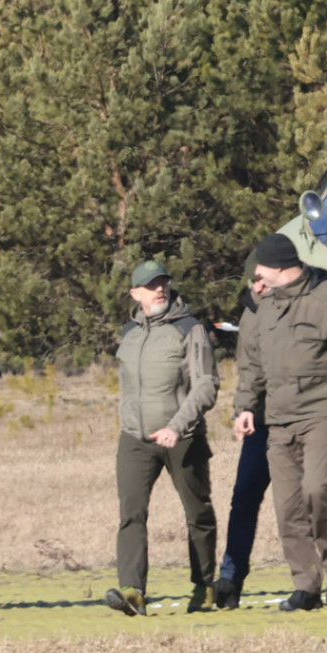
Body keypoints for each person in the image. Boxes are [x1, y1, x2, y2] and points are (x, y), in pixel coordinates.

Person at [215, 254, 327, 611]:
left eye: (262, 279)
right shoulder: (255, 313)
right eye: (253, 282)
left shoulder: (316, 301)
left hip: (309, 415)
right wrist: (243, 411)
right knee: (250, 499)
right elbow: (250, 370)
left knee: (318, 491)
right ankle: (231, 578)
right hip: (264, 422)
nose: (259, 287)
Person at [106, 259, 219, 617]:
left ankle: (203, 587)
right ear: (135, 293)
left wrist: (177, 425)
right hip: (135, 440)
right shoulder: (130, 332)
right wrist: (128, 421)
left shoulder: (189, 329)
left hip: (182, 438)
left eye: (163, 282)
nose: (160, 289)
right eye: (152, 284)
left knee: (197, 513)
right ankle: (133, 591)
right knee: (131, 514)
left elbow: (207, 385)